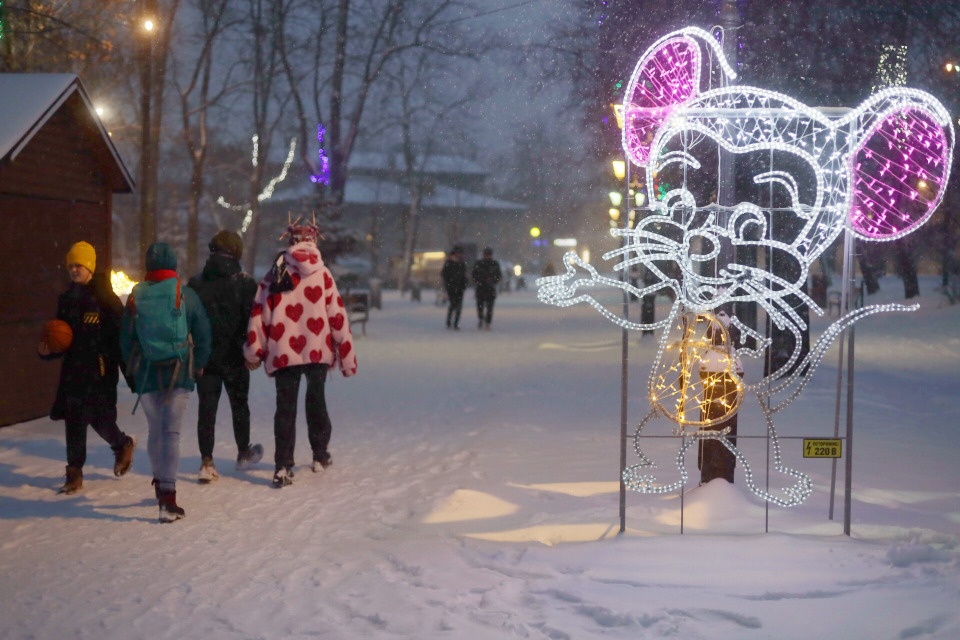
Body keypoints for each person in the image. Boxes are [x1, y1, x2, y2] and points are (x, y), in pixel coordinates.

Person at [244, 220, 358, 488]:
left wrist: (254, 351)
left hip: (284, 351)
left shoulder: (275, 274)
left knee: (285, 407)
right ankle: (320, 454)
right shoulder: (323, 275)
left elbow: (259, 314)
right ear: (313, 241)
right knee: (316, 399)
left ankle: (283, 465)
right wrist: (347, 358)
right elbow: (337, 317)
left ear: (290, 241)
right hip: (318, 348)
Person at [120, 243, 211, 522]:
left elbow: (126, 339)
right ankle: (168, 499)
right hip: (179, 372)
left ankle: (160, 483)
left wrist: (132, 374)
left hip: (147, 374)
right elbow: (204, 333)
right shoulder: (185, 294)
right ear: (173, 265)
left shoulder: (136, 296)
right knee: (171, 433)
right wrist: (200, 365)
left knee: (155, 430)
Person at [39, 241, 137, 495]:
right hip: (73, 373)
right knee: (74, 423)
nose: (74, 269)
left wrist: (131, 374)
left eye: (79, 265)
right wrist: (47, 351)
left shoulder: (106, 299)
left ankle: (122, 444)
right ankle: (74, 473)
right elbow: (60, 339)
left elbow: (122, 338)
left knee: (101, 420)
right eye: (71, 265)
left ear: (90, 267)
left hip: (100, 372)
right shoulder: (66, 299)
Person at [188, 231, 263, 483]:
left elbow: (190, 321)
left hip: (206, 357)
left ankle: (206, 462)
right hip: (236, 356)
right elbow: (253, 322)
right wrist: (253, 352)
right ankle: (243, 452)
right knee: (239, 405)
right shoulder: (245, 284)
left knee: (206, 409)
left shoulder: (196, 283)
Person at [471, 246, 502, 329]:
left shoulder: (494, 264)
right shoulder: (479, 264)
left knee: (490, 307)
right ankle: (481, 318)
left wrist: (493, 280)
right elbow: (474, 275)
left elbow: (498, 276)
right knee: (480, 306)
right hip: (481, 288)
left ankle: (488, 321)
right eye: (486, 254)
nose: (488, 256)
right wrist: (480, 280)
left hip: (490, 288)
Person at [440, 245, 468, 330]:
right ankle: (449, 322)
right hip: (451, 288)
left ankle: (456, 323)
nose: (459, 255)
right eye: (458, 253)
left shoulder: (462, 264)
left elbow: (464, 276)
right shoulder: (449, 263)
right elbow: (444, 274)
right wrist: (449, 283)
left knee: (458, 306)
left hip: (460, 287)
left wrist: (464, 284)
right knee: (453, 304)